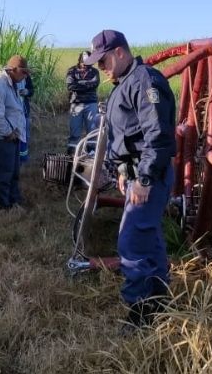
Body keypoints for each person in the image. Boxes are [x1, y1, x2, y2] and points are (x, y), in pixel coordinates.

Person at [83, 29, 176, 330]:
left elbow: (158, 136)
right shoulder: (124, 83)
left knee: (131, 242)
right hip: (136, 172)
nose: (102, 68)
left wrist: (145, 180)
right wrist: (124, 172)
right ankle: (160, 300)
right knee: (148, 236)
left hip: (150, 174)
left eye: (104, 61)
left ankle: (140, 314)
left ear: (120, 52)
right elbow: (127, 136)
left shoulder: (146, 82)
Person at [0, 55, 30, 209]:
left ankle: (15, 199)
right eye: (23, 72)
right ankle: (4, 206)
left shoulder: (14, 82)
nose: (26, 76)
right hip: (4, 136)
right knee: (5, 172)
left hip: (14, 134)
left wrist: (17, 131)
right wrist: (8, 132)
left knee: (14, 171)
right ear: (13, 70)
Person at [65, 51, 100, 155]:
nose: (85, 65)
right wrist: (87, 85)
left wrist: (79, 84)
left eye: (88, 63)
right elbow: (70, 86)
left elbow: (94, 84)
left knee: (92, 130)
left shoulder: (95, 72)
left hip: (91, 104)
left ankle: (92, 151)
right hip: (76, 105)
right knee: (75, 131)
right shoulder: (71, 71)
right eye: (83, 63)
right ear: (79, 61)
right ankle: (72, 153)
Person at [16, 73, 34, 164]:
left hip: (24, 111)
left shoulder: (26, 76)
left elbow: (31, 90)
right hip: (14, 113)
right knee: (16, 136)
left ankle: (23, 159)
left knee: (25, 135)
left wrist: (27, 92)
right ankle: (16, 158)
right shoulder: (9, 79)